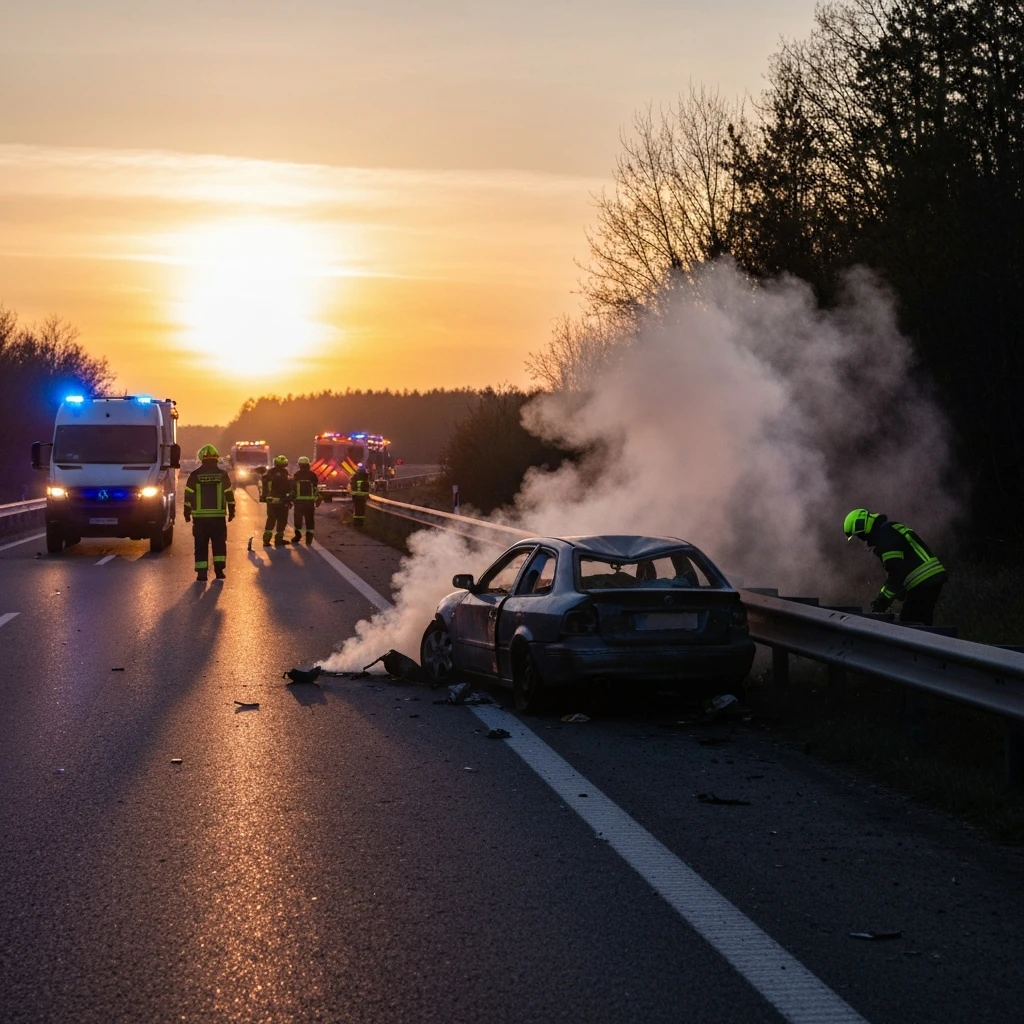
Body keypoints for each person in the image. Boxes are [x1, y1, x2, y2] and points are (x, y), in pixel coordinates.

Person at [843, 508, 947, 625]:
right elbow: (904, 563)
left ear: (863, 526)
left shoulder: (884, 535)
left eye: (860, 535)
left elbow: (895, 573)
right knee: (921, 621)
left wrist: (882, 601)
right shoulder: (889, 528)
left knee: (910, 622)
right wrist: (898, 589)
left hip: (924, 578)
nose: (863, 539)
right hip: (929, 577)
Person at [183, 444, 235, 583]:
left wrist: (186, 512)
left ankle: (202, 574)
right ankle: (219, 571)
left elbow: (188, 494)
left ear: (201, 458)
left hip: (200, 518)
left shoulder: (195, 475)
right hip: (218, 517)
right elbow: (229, 494)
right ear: (216, 458)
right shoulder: (222, 475)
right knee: (219, 544)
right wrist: (232, 510)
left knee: (200, 544)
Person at [261, 455, 293, 547]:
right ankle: (278, 540)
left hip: (271, 501)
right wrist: (289, 499)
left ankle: (266, 540)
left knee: (271, 519)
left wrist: (264, 496)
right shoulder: (284, 473)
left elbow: (264, 484)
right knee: (282, 520)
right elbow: (287, 487)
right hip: (282, 501)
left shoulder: (269, 473)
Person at [290, 455, 321, 544]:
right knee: (310, 520)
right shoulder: (313, 475)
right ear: (308, 464)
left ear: (299, 464)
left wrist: (291, 499)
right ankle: (309, 539)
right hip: (309, 503)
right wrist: (318, 499)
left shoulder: (297, 475)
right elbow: (315, 488)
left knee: (298, 520)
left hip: (299, 502)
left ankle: (297, 536)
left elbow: (293, 488)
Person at [349, 462, 370, 527]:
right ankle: (360, 524)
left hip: (356, 497)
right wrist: (367, 496)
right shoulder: (365, 479)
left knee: (357, 510)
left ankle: (356, 524)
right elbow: (366, 489)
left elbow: (352, 486)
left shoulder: (354, 478)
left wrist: (353, 495)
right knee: (361, 511)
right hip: (362, 498)